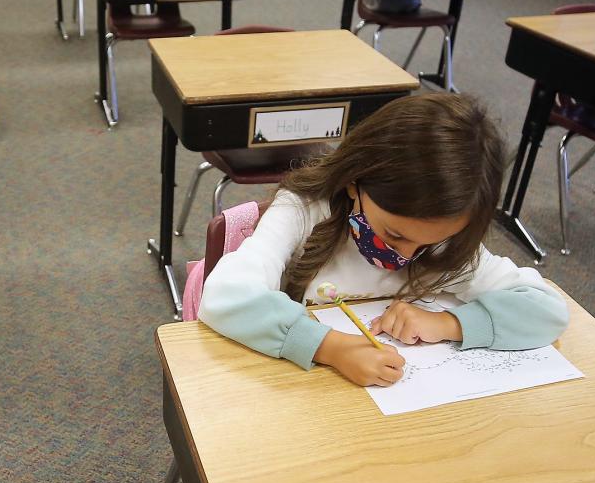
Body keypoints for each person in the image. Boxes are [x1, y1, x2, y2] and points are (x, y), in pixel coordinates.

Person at [199, 93, 569, 387]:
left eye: (424, 245)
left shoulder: (445, 243)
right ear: (355, 182)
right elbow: (225, 295)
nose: (405, 256)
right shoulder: (303, 211)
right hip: (296, 386)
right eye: (394, 235)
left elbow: (547, 311)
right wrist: (331, 347)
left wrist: (447, 324)